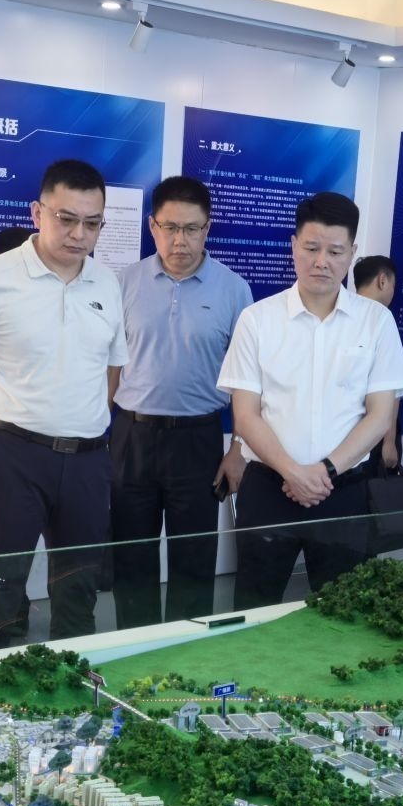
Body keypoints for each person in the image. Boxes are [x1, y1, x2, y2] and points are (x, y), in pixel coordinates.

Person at [0, 159, 127, 650]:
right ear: (37, 212)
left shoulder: (107, 283)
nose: (79, 234)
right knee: (1, 593)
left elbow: (111, 372)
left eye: (92, 223)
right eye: (66, 219)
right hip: (14, 456)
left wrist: (79, 420)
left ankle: (73, 685)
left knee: (79, 592)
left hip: (88, 459)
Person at [219, 193, 403, 610]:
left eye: (335, 251)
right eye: (311, 248)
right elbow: (245, 415)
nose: (321, 261)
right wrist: (293, 473)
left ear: (352, 253)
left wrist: (324, 472)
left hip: (344, 492)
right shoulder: (257, 320)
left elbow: (380, 415)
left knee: (344, 613)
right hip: (268, 491)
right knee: (254, 609)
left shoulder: (376, 322)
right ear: (293, 246)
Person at [109, 175, 253, 628]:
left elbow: (250, 383)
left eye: (192, 229)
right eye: (170, 227)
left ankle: (186, 648)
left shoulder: (234, 290)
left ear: (208, 228)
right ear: (152, 226)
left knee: (194, 555)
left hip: (198, 438)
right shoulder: (123, 282)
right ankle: (135, 646)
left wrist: (238, 450)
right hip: (131, 435)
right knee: (131, 553)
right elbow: (108, 365)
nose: (180, 240)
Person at [353, 254, 403, 473]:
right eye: (393, 284)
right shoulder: (382, 317)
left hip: (344, 433)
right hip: (374, 433)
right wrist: (389, 441)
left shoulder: (338, 314)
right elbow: (391, 389)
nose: (393, 291)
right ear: (382, 280)